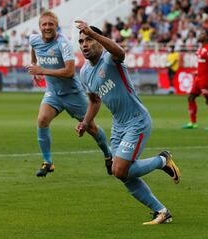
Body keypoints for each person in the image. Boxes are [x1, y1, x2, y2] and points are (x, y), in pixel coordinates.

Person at [75, 20, 181, 225]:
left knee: (119, 169)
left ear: (98, 40)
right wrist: (85, 123)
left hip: (137, 121)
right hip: (118, 125)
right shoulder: (85, 73)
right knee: (122, 174)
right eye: (81, 41)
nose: (84, 44)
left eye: (89, 39)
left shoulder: (109, 59)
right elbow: (95, 101)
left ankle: (162, 160)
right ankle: (161, 211)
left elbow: (120, 52)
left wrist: (94, 33)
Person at [26, 11, 112, 177]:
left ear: (56, 26)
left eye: (51, 24)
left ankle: (108, 154)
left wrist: (41, 70)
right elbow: (33, 48)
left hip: (73, 94)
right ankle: (47, 162)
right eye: (44, 24)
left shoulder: (63, 44)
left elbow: (70, 72)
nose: (47, 27)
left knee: (91, 128)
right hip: (53, 93)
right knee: (42, 119)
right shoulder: (34, 39)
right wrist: (33, 64)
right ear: (39, 27)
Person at [182, 29, 208, 130]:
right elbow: (203, 65)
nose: (200, 35)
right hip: (198, 78)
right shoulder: (200, 49)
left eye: (202, 34)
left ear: (206, 37)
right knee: (191, 98)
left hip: (206, 79)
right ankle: (193, 123)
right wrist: (197, 72)